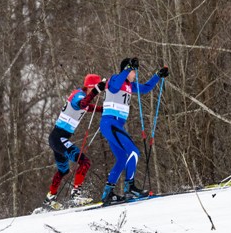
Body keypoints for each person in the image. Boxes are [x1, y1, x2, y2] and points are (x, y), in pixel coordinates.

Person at [99, 58, 168, 205]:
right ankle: (130, 187)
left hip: (114, 125)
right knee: (134, 152)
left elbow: (145, 88)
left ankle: (108, 192)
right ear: (127, 70)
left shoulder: (130, 85)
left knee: (122, 158)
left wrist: (158, 75)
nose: (135, 74)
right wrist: (127, 68)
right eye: (133, 71)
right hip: (110, 123)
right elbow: (116, 85)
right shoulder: (114, 80)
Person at [44, 73, 105, 208]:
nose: (94, 92)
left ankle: (50, 197)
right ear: (90, 87)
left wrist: (107, 109)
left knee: (63, 171)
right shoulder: (79, 95)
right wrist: (96, 91)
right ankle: (76, 194)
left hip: (58, 138)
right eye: (93, 89)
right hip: (59, 138)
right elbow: (82, 103)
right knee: (85, 162)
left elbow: (90, 107)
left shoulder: (83, 97)